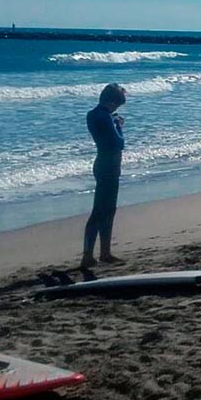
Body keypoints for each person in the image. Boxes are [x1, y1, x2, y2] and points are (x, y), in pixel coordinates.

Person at [82, 83, 127, 268]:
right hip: (110, 165)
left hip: (101, 162)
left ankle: (93, 253)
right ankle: (101, 253)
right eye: (116, 105)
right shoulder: (106, 117)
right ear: (112, 101)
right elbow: (119, 143)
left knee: (101, 210)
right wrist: (119, 125)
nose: (116, 108)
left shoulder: (93, 114)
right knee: (105, 211)